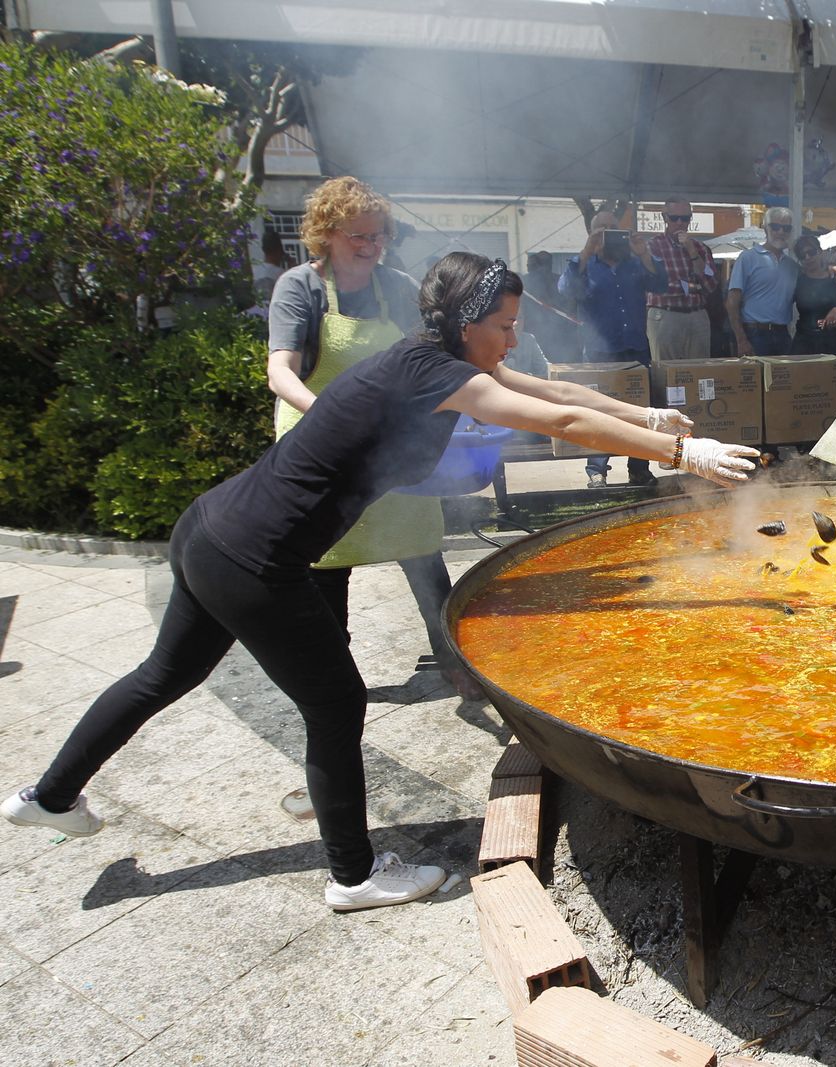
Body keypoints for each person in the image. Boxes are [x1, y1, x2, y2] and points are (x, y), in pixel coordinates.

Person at [2, 253, 759, 912]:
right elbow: (559, 425)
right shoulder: (441, 376)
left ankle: (49, 796)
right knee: (335, 699)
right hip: (254, 556)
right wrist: (682, 459)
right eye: (503, 322)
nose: (513, 336)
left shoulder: (429, 357)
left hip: (210, 527)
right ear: (467, 323)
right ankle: (353, 875)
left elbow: (562, 393)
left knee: (166, 673)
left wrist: (650, 415)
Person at [263, 178, 475, 698]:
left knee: (423, 552)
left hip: (386, 447)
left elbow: (427, 360)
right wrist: (330, 418)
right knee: (327, 565)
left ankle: (457, 665)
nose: (370, 245)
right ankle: (333, 681)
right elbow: (281, 373)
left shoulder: (398, 286)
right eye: (358, 235)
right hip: (318, 443)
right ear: (326, 233)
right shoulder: (301, 286)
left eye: (378, 235)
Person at [559, 210, 666, 488]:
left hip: (635, 348)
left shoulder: (634, 263)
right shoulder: (584, 263)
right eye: (602, 228)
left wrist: (643, 254)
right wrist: (587, 251)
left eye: (613, 227)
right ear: (592, 232)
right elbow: (567, 290)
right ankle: (597, 470)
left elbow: (660, 284)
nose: (609, 232)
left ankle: (639, 468)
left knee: (640, 411)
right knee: (597, 413)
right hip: (599, 352)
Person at [645, 199, 716, 362]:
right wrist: (695, 287)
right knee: (666, 373)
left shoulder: (700, 248)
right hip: (665, 314)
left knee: (699, 373)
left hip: (696, 315)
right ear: (664, 218)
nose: (680, 223)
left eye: (685, 218)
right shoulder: (652, 246)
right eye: (674, 218)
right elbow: (661, 286)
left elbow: (711, 285)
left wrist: (691, 251)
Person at [726, 207, 800, 357]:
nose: (781, 232)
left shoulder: (793, 266)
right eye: (775, 226)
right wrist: (741, 340)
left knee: (782, 381)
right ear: (765, 228)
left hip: (782, 334)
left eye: (786, 228)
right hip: (754, 334)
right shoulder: (747, 258)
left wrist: (832, 268)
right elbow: (732, 302)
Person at [788, 233, 836, 367]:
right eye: (802, 255)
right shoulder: (797, 280)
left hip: (834, 346)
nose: (808, 258)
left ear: (820, 252)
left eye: (811, 252)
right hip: (804, 346)